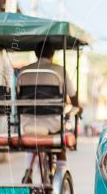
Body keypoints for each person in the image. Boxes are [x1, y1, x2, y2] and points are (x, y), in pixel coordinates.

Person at [18, 40, 80, 183]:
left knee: (32, 139)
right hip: (53, 123)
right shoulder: (59, 70)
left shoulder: (24, 72)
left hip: (27, 124)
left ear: (35, 54)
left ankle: (28, 169)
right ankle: (61, 175)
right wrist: (78, 107)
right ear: (52, 54)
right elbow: (73, 95)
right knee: (60, 147)